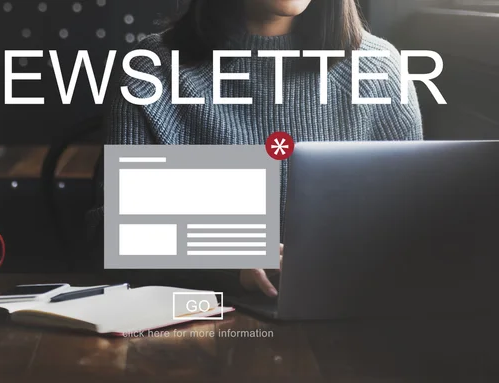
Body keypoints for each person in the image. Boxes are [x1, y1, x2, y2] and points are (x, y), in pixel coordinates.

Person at [88, 0, 423, 297]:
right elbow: (109, 229)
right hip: (200, 320)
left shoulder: (381, 70)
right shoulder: (152, 71)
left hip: (349, 316)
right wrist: (228, 259)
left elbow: (415, 227)